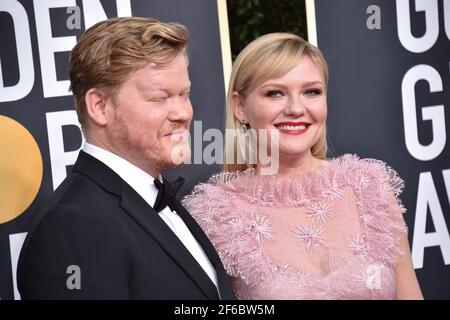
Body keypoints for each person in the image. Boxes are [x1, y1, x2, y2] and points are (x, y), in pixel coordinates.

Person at [183, 33, 423, 299]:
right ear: (240, 107)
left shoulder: (369, 186)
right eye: (275, 93)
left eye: (311, 92)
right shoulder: (215, 214)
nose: (296, 108)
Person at [17, 17, 234, 300]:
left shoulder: (155, 197)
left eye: (185, 94)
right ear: (99, 106)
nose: (183, 113)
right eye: (159, 98)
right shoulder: (72, 228)